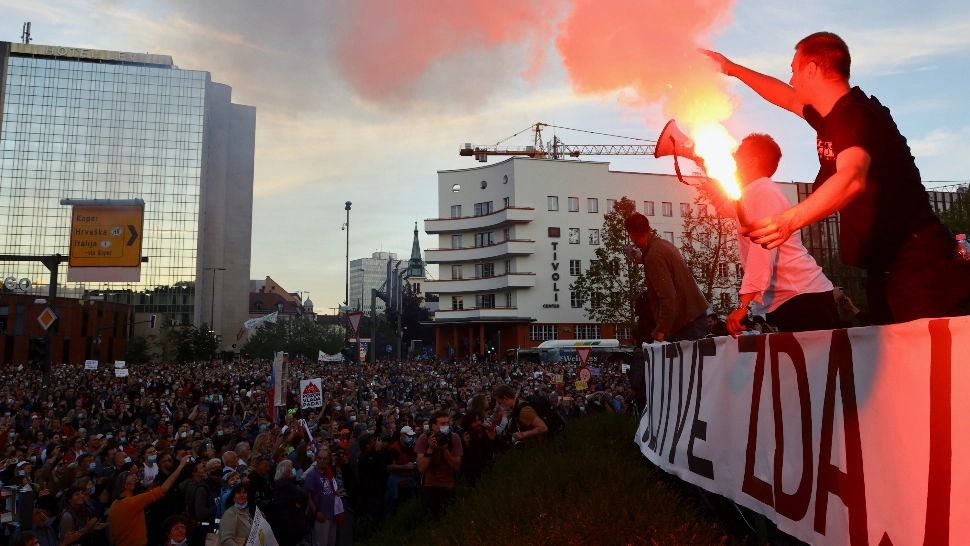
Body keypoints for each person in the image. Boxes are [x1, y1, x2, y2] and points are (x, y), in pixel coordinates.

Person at [703, 32, 970, 324]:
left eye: (794, 70)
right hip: (889, 270)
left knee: (925, 364)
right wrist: (731, 68)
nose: (791, 79)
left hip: (920, 268)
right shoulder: (832, 118)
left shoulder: (856, 116)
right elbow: (787, 98)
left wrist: (789, 220)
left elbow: (852, 176)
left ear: (812, 69)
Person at [708, 133, 838, 335]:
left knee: (814, 366)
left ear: (752, 161)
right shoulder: (752, 192)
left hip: (803, 298)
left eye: (739, 152)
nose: (733, 155)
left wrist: (743, 306)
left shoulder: (764, 191)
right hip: (792, 299)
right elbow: (730, 211)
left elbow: (763, 250)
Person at [623, 212, 710, 341]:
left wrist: (661, 330)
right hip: (693, 316)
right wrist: (642, 259)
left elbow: (668, 297)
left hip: (685, 323)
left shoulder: (653, 256)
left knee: (685, 361)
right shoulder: (663, 245)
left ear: (632, 235)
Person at [107, 455, 188, 546]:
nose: (138, 479)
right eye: (135, 479)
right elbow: (164, 489)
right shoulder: (133, 502)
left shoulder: (114, 504)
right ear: (128, 486)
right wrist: (180, 466)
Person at [415, 411, 462, 519]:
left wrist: (444, 450)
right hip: (429, 486)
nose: (446, 426)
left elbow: (457, 466)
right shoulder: (424, 438)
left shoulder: (454, 438)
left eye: (447, 423)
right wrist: (430, 449)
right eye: (442, 424)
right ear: (433, 426)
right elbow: (421, 468)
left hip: (448, 485)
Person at [304, 445, 343, 546]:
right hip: (321, 516)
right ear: (316, 458)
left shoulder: (329, 472)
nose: (322, 461)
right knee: (320, 543)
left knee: (331, 542)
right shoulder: (311, 475)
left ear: (328, 460)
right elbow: (307, 497)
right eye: (319, 458)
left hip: (332, 515)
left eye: (324, 459)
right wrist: (316, 513)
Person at [267, 459, 309, 546]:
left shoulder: (282, 483)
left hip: (287, 525)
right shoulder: (284, 484)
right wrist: (297, 503)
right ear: (284, 471)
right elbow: (304, 496)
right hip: (288, 526)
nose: (292, 470)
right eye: (290, 468)